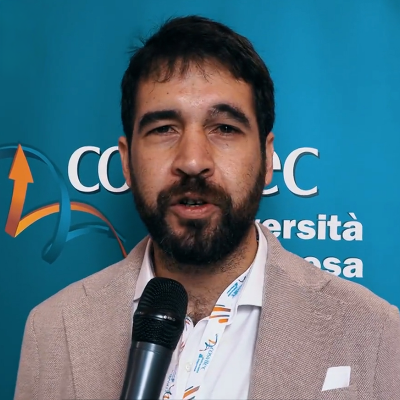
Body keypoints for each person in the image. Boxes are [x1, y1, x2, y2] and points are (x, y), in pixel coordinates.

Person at [14, 15, 400, 400]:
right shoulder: (53, 328)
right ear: (127, 162)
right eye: (164, 129)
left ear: (267, 159)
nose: (193, 161)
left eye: (225, 128)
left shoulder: (375, 330)